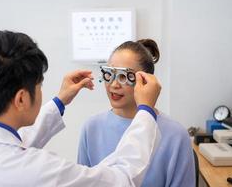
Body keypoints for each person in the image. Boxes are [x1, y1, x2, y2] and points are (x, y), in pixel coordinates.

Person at [0, 31, 162, 187]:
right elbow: (122, 179)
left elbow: (11, 141)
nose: (115, 83)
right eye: (39, 85)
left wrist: (60, 101)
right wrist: (145, 112)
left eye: (125, 76)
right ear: (21, 98)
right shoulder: (38, 170)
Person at [78, 39, 195, 187]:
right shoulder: (91, 128)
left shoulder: (175, 135)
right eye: (109, 74)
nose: (114, 85)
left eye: (123, 76)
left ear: (145, 81)